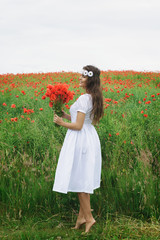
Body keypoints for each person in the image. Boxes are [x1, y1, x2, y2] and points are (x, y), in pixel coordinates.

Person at [53, 65, 104, 233]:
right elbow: (79, 119)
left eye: (83, 76)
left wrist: (61, 123)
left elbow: (78, 125)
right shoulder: (92, 97)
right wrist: (65, 115)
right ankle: (81, 217)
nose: (80, 78)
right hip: (89, 138)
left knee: (81, 181)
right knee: (84, 179)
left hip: (81, 140)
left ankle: (89, 218)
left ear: (90, 79)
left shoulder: (84, 98)